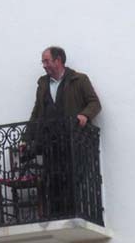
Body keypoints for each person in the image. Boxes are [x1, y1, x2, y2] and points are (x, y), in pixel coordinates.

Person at [25, 46, 102, 217]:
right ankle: (56, 216)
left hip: (73, 140)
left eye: (47, 61)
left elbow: (94, 103)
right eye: (43, 61)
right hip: (49, 143)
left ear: (58, 60)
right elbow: (37, 111)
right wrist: (26, 137)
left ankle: (72, 214)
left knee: (72, 178)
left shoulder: (79, 79)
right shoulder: (43, 83)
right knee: (52, 179)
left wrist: (84, 116)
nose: (43, 65)